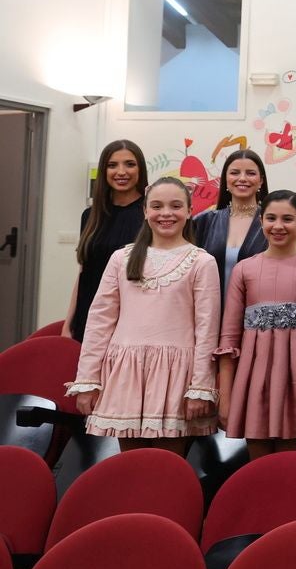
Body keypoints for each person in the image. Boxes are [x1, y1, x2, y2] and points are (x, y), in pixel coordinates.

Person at [67, 178, 220, 450]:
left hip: (176, 378)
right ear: (145, 211)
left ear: (189, 210)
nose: (166, 213)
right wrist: (88, 380)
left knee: (168, 470)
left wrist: (200, 387)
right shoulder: (121, 258)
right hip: (126, 373)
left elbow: (207, 329)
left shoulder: (201, 262)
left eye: (175, 206)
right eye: (157, 206)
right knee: (131, 465)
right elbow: (99, 321)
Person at [214, 190, 296, 458]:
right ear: (261, 221)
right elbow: (229, 337)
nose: (278, 226)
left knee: (292, 465)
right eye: (271, 218)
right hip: (254, 376)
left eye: (288, 219)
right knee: (257, 466)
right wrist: (226, 395)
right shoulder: (244, 269)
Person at [65, 139, 148, 340]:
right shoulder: (90, 215)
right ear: (104, 171)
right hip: (90, 313)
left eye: (129, 164)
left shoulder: (151, 214)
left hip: (133, 315)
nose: (121, 172)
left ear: (140, 169)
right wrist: (68, 323)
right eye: (112, 165)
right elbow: (84, 272)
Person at [192, 148, 269, 299]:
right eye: (235, 172)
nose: (242, 178)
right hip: (211, 312)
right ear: (225, 179)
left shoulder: (272, 224)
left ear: (261, 180)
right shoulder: (204, 221)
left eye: (250, 173)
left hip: (256, 314)